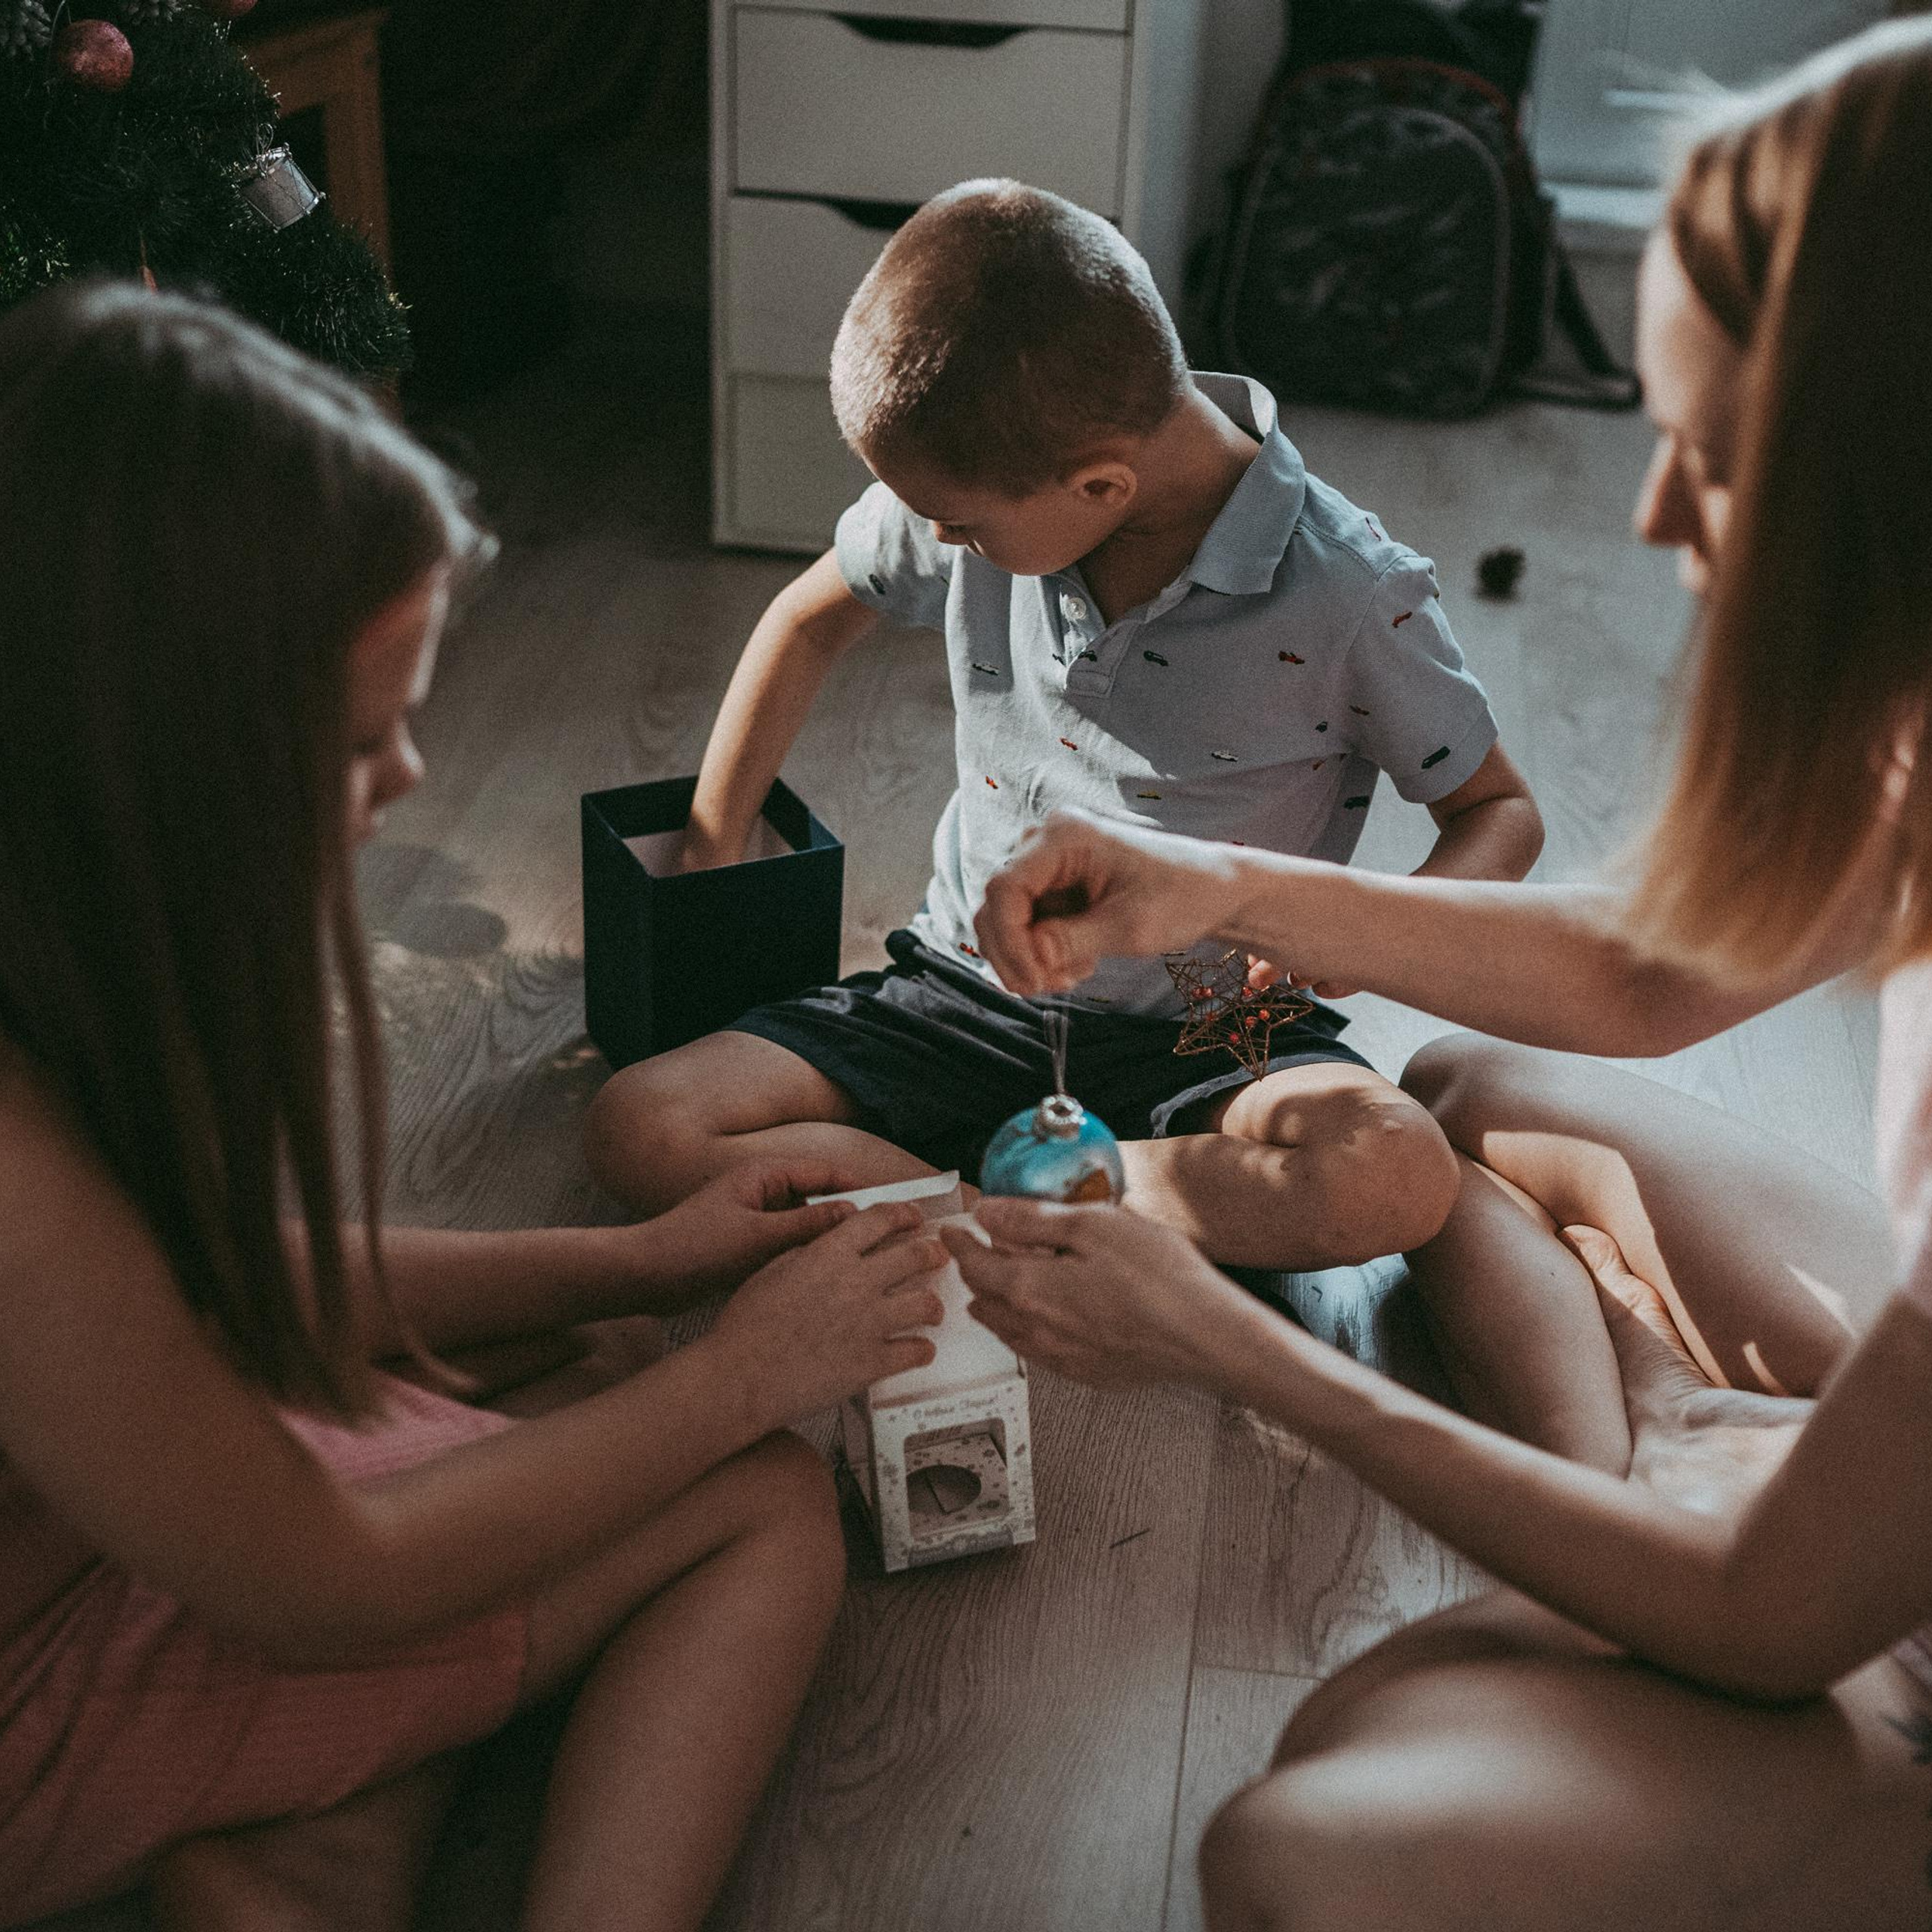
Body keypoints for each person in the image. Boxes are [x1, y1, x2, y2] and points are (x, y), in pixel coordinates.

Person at [943, 20, 1932, 1929]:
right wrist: (1202, 877)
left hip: (1853, 1624)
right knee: (1476, 1094)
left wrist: (1218, 1336)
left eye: (1710, 456)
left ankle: (1663, 1505)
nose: (1649, 517)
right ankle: (1657, 1480)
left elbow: (1765, 1624)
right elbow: (1649, 973)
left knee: (1305, 1844)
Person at [0, 281, 948, 1932]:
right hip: (45, 1695)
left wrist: (638, 1265)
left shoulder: (50, 971)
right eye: (361, 735)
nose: (411, 780)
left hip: (94, 1530)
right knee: (756, 1493)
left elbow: (216, 1288)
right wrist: (743, 1374)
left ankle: (316, 1843)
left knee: (568, 1359)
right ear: (160, 745)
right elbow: (322, 1587)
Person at [584, 180, 1543, 1275]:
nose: (937, 536)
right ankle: (1018, 1198)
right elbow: (805, 622)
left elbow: (1500, 812)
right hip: (960, 994)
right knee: (639, 1123)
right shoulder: (988, 482)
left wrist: (1363, 937)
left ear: (1100, 485)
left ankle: (1014, 1191)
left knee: (1393, 1173)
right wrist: (712, 847)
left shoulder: (1354, 591)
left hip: (1215, 1034)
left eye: (963, 526)